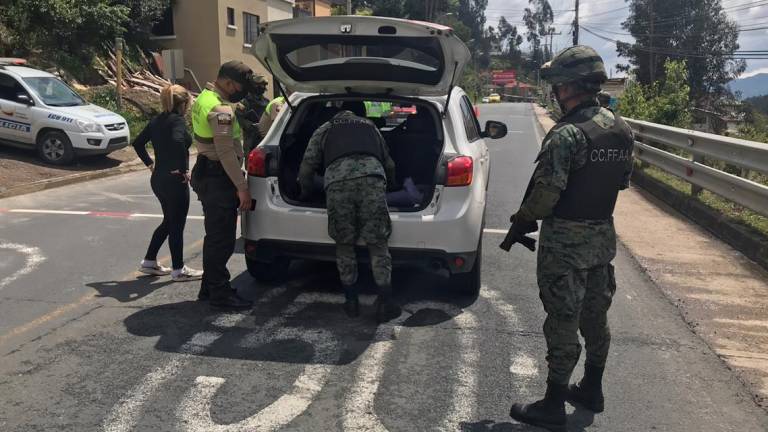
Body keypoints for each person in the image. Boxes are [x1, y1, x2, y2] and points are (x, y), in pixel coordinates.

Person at [507, 46, 634, 432]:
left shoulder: (566, 135)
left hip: (565, 245)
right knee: (596, 317)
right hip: (602, 239)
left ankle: (552, 402)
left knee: (562, 320)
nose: (556, 93)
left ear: (568, 87)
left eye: (558, 86)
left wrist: (523, 219)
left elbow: (546, 195)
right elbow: (623, 182)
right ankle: (591, 389)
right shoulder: (620, 128)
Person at [297, 101, 401, 323]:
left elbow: (307, 166)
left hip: (337, 183)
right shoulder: (370, 127)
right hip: (372, 180)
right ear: (360, 113)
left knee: (344, 244)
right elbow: (389, 163)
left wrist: (305, 193)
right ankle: (386, 301)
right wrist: (392, 186)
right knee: (377, 243)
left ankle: (351, 302)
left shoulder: (324, 128)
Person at [189, 60, 254, 310]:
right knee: (222, 239)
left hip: (207, 171)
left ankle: (209, 287)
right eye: (240, 86)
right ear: (228, 83)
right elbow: (226, 152)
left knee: (214, 236)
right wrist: (241, 186)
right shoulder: (220, 109)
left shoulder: (204, 98)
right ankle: (220, 293)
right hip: (218, 177)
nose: (242, 91)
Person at [132, 84, 203, 282]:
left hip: (158, 179)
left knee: (169, 220)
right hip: (174, 180)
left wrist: (150, 164)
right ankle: (178, 269)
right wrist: (183, 169)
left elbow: (137, 143)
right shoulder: (178, 121)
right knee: (177, 224)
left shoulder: (157, 120)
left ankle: (149, 261)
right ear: (184, 104)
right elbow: (178, 142)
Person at [235, 74, 269, 156]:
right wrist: (252, 126)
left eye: (264, 85)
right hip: (251, 139)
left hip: (264, 137)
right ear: (254, 86)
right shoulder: (245, 101)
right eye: (261, 85)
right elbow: (240, 117)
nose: (264, 88)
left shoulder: (266, 101)